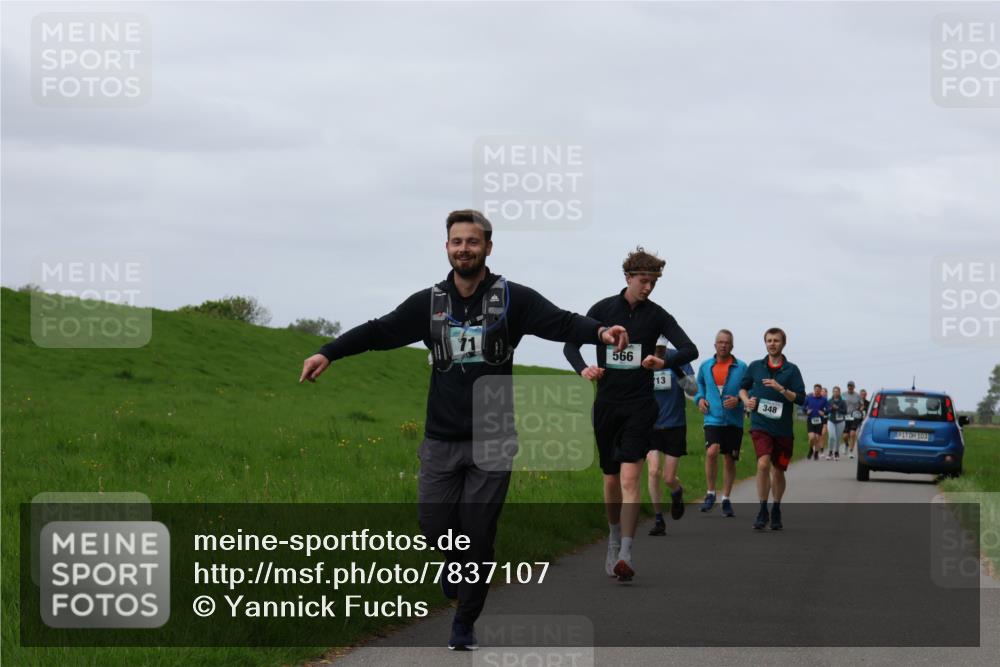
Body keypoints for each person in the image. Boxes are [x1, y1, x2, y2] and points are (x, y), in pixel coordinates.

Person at [299, 210, 629, 650]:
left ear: (488, 247)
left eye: (473, 242)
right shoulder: (430, 302)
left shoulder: (513, 298)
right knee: (434, 526)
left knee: (479, 532)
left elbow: (563, 322)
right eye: (457, 242)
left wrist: (601, 331)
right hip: (441, 437)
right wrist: (330, 352)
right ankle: (453, 566)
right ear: (447, 247)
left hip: (493, 436)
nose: (464, 249)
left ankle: (464, 623)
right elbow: (381, 330)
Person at [564, 247, 697, 582]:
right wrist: (584, 370)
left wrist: (663, 362)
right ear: (628, 277)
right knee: (610, 481)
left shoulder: (658, 316)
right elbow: (570, 344)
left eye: (653, 282)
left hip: (640, 406)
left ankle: (626, 551)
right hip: (607, 405)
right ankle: (612, 540)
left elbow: (690, 349)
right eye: (643, 280)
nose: (648, 287)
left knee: (629, 479)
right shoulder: (603, 309)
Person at [738, 328, 805, 531]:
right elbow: (742, 388)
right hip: (760, 426)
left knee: (778, 470)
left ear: (783, 344)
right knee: (763, 464)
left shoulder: (791, 370)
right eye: (769, 340)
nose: (772, 344)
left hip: (783, 430)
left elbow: (801, 399)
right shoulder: (755, 367)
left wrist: (781, 389)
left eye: (776, 340)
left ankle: (776, 507)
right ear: (765, 343)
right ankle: (762, 509)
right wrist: (746, 401)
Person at [693, 329, 748, 517]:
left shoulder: (741, 367)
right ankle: (710, 493)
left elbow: (750, 388)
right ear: (715, 345)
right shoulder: (706, 366)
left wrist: (739, 401)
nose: (723, 345)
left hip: (734, 420)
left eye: (727, 342)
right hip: (713, 417)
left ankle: (726, 498)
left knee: (729, 459)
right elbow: (699, 384)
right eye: (720, 342)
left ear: (732, 346)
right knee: (711, 451)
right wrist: (700, 399)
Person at [646, 338, 697, 536]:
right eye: (654, 348)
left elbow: (692, 390)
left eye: (660, 348)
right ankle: (658, 519)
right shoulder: (642, 358)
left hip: (675, 424)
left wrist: (675, 368)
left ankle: (677, 492)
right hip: (650, 424)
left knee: (668, 478)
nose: (657, 352)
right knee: (653, 471)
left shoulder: (678, 358)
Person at [803, 384, 829, 460]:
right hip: (810, 420)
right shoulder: (809, 398)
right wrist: (806, 411)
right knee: (812, 438)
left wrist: (824, 412)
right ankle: (811, 449)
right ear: (814, 390)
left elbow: (828, 408)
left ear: (820, 390)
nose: (817, 390)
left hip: (819, 421)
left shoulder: (824, 399)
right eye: (816, 389)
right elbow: (803, 406)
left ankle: (816, 453)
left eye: (818, 389)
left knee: (817, 438)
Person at [842, 381, 863, 459]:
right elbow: (840, 403)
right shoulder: (843, 395)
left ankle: (851, 451)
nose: (850, 387)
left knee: (853, 434)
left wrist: (859, 409)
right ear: (847, 387)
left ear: (854, 387)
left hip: (854, 416)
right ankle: (846, 445)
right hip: (846, 416)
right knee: (845, 436)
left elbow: (862, 405)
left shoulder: (857, 395)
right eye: (849, 386)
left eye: (851, 386)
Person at [825, 386, 847, 460]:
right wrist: (831, 408)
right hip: (831, 420)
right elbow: (826, 411)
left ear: (839, 392)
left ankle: (836, 453)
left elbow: (845, 412)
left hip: (840, 421)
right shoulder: (829, 401)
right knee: (831, 436)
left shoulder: (843, 401)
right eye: (834, 391)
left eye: (837, 391)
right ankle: (830, 452)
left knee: (837, 438)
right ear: (832, 392)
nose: (835, 392)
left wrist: (837, 408)